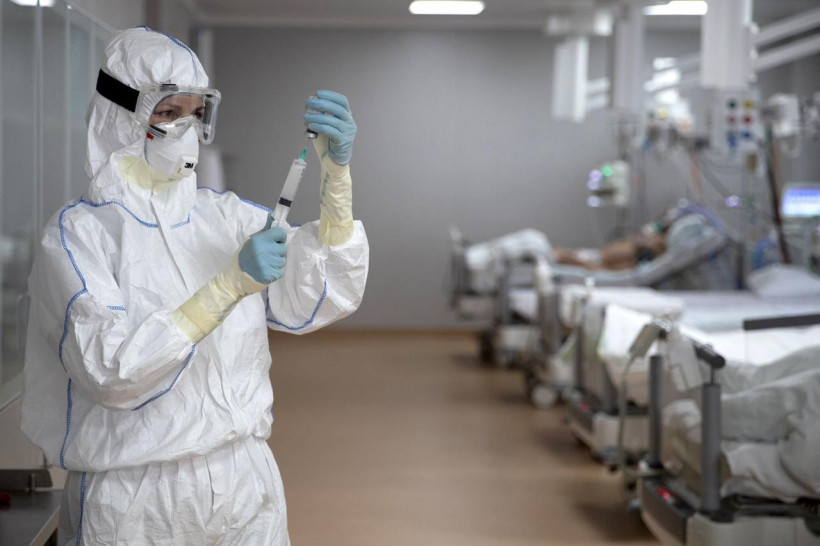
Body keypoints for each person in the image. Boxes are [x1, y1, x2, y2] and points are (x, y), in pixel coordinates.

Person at [20, 27, 368, 545]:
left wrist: (336, 177)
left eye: (195, 111)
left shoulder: (223, 217)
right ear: (122, 116)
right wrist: (227, 286)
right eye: (168, 112)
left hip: (243, 484)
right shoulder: (79, 235)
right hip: (135, 500)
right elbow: (111, 373)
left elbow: (322, 292)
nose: (185, 127)